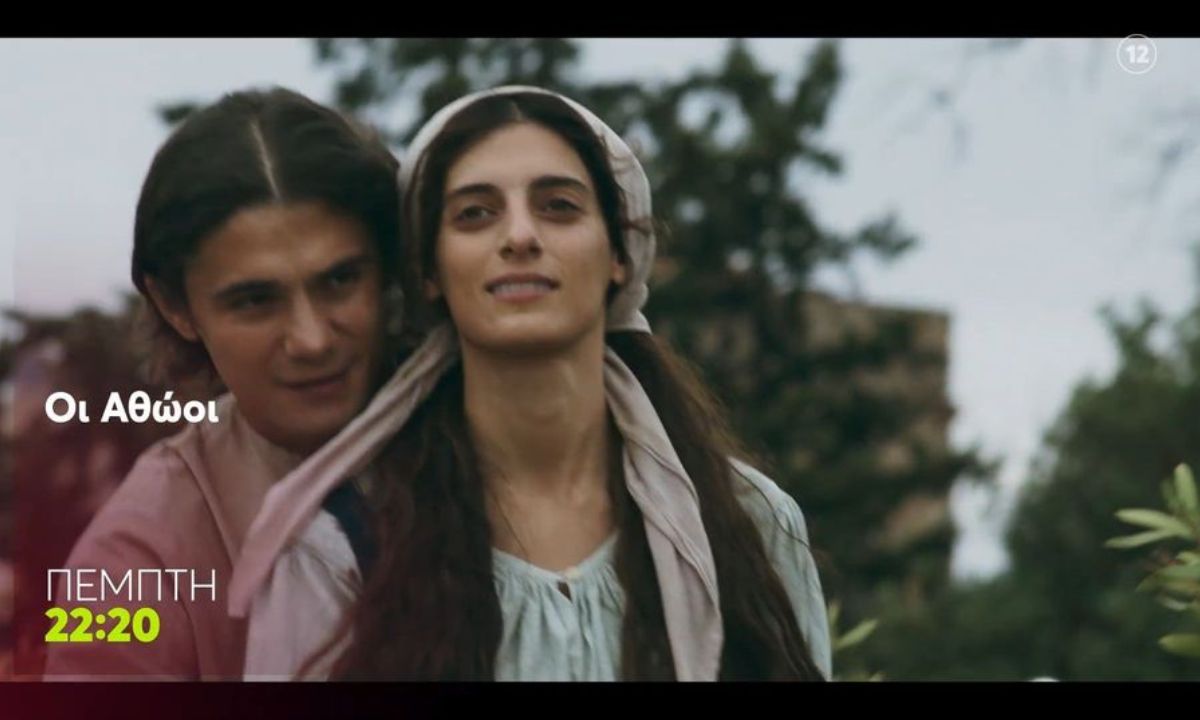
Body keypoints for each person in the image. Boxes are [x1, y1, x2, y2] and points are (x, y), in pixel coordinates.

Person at [231, 86, 832, 681]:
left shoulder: (750, 521)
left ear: (619, 253)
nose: (520, 236)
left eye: (558, 206)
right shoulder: (344, 546)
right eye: (475, 213)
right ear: (430, 270)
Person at [43, 86, 401, 679]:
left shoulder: (494, 438)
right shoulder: (128, 567)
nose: (311, 339)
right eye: (256, 300)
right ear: (175, 306)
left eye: (340, 281)